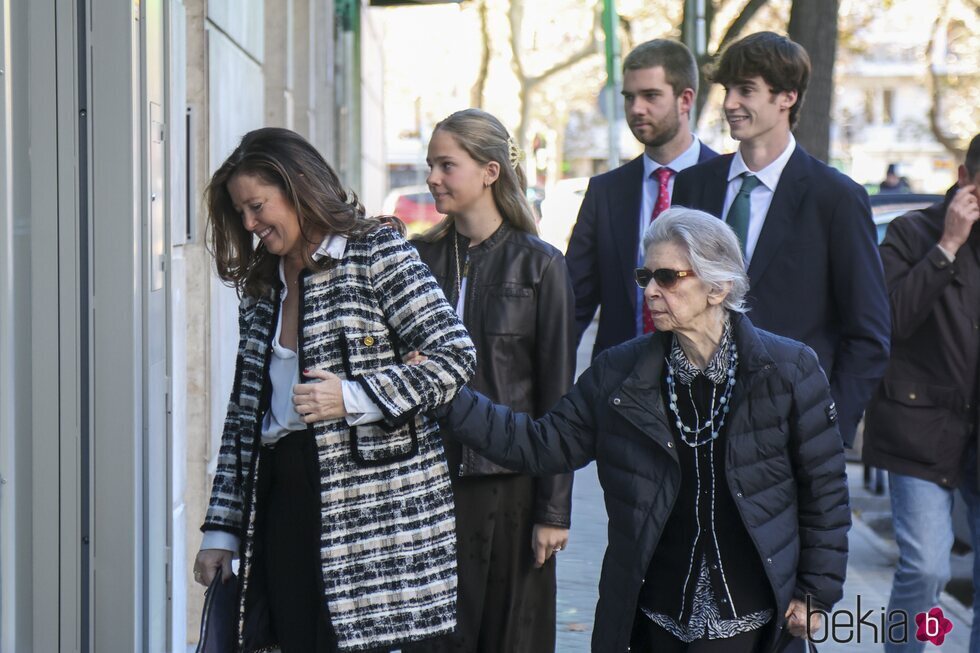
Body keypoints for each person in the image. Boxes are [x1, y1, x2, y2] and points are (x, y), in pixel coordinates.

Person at [441, 207, 851, 653]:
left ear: (718, 287)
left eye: (669, 277)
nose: (652, 291)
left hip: (753, 620)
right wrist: (449, 396)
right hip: (652, 617)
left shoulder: (789, 370)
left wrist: (814, 594)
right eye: (646, 277)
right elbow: (539, 445)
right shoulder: (618, 373)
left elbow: (824, 493)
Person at [192, 127, 477, 653]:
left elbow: (454, 357)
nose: (251, 224)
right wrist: (221, 532)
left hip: (369, 511)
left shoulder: (375, 251)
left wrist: (352, 397)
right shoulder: (262, 284)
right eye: (242, 213)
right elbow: (243, 418)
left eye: (258, 207)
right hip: (280, 499)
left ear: (297, 187)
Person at [408, 108, 577, 652]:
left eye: (446, 165)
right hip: (426, 482)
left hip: (512, 485)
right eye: (431, 164)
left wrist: (553, 511)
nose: (432, 177)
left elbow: (558, 398)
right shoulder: (415, 259)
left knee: (512, 638)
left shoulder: (541, 267)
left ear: (489, 172)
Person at [671, 31, 891, 447]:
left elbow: (868, 334)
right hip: (695, 424)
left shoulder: (836, 198)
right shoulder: (694, 187)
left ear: (786, 97)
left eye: (746, 90)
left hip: (791, 433)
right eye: (728, 89)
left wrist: (828, 430)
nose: (730, 103)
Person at [863, 133, 980, 653]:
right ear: (965, 180)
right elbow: (887, 321)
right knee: (928, 569)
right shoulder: (913, 233)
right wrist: (947, 248)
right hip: (919, 428)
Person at [565, 39, 717, 360]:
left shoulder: (725, 182)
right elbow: (574, 303)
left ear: (685, 99)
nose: (636, 108)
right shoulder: (605, 192)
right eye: (629, 97)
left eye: (650, 96)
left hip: (706, 381)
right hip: (619, 381)